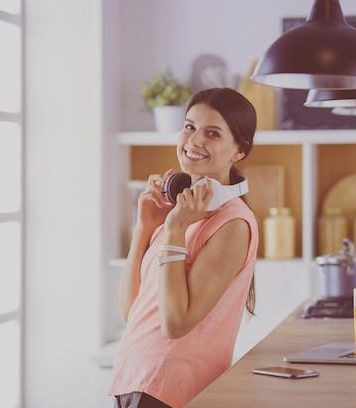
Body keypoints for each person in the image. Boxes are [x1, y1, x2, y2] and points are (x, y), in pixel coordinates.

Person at [109, 88, 259, 408]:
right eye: (189, 126)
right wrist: (145, 229)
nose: (194, 140)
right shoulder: (178, 215)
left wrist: (175, 230)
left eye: (212, 133)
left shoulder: (232, 224)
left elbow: (175, 325)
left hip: (167, 388)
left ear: (238, 152)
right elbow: (131, 313)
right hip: (135, 378)